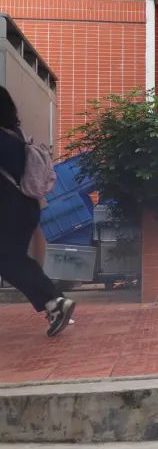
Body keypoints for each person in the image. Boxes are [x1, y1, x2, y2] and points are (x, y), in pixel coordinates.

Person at [0, 86, 76, 336]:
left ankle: (54, 301)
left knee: (10, 260)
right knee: (12, 259)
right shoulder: (16, 136)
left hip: (9, 209)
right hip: (25, 207)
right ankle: (54, 302)